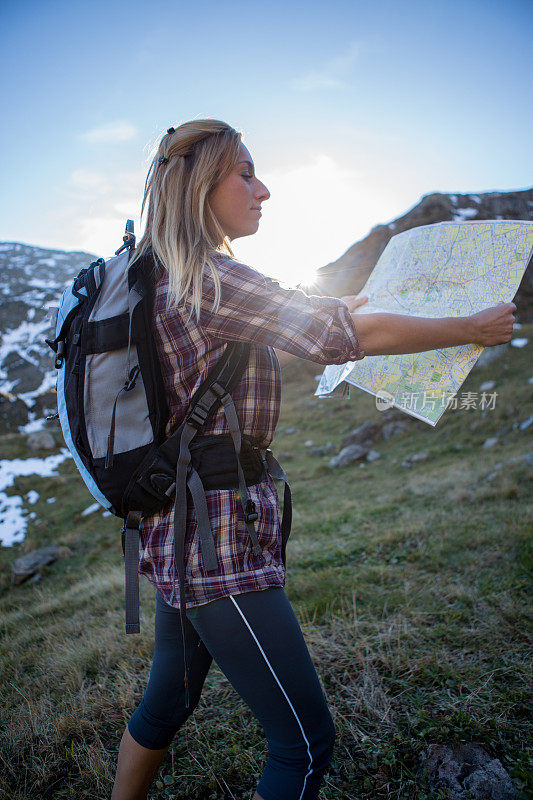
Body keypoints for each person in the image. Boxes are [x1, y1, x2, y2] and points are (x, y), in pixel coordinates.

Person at [110, 119, 516, 800]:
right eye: (244, 172)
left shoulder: (168, 278)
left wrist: (346, 304)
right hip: (218, 543)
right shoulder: (213, 277)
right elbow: (343, 336)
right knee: (302, 745)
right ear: (200, 189)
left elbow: (298, 312)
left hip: (177, 531)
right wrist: (470, 327)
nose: (262, 189)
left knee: (167, 702)